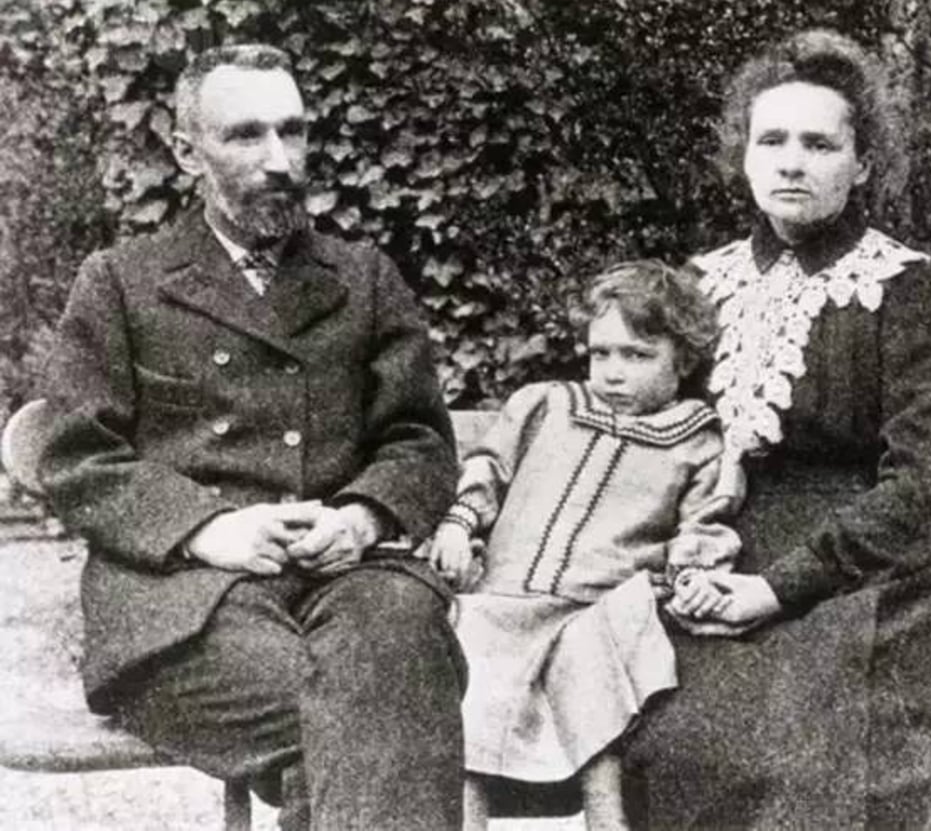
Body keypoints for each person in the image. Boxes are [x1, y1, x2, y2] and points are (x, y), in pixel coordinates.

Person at [619, 29, 931, 828]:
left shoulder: (906, 288)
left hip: (855, 579)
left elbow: (918, 482)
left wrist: (774, 588)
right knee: (674, 737)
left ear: (862, 163)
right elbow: (648, 439)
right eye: (773, 140)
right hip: (709, 563)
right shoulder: (699, 285)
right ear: (745, 157)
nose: (793, 161)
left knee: (796, 755)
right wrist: (679, 546)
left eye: (821, 143)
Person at [37, 44, 464, 831]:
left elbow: (420, 440)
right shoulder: (123, 280)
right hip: (181, 602)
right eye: (245, 135)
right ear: (185, 148)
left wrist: (362, 517)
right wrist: (209, 527)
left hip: (349, 575)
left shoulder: (362, 277)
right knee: (374, 721)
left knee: (395, 652)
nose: (279, 161)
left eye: (293, 132)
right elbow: (74, 454)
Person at [428, 260, 745, 830]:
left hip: (602, 605)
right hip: (506, 598)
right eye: (601, 354)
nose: (613, 373)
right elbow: (487, 470)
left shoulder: (697, 443)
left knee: (591, 654)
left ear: (685, 361)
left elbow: (705, 524)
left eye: (637, 355)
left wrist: (694, 572)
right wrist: (459, 524)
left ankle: (606, 819)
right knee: (471, 652)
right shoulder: (546, 406)